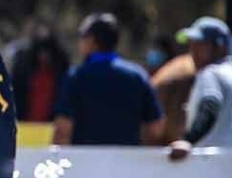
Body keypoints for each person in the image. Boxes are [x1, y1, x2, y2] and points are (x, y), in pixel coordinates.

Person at [51, 14, 164, 146]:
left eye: (81, 37)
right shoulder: (137, 76)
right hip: (127, 162)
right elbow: (155, 128)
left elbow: (63, 130)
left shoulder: (76, 77)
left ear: (91, 41)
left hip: (85, 162)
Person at [168, 16, 232, 160]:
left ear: (221, 47)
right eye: (191, 45)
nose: (193, 51)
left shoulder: (211, 73)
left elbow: (210, 105)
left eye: (201, 44)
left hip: (212, 168)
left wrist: (187, 140)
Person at [9, 28, 69, 123]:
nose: (44, 56)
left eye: (47, 52)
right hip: (26, 124)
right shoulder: (24, 73)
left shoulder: (59, 75)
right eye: (40, 52)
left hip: (49, 125)